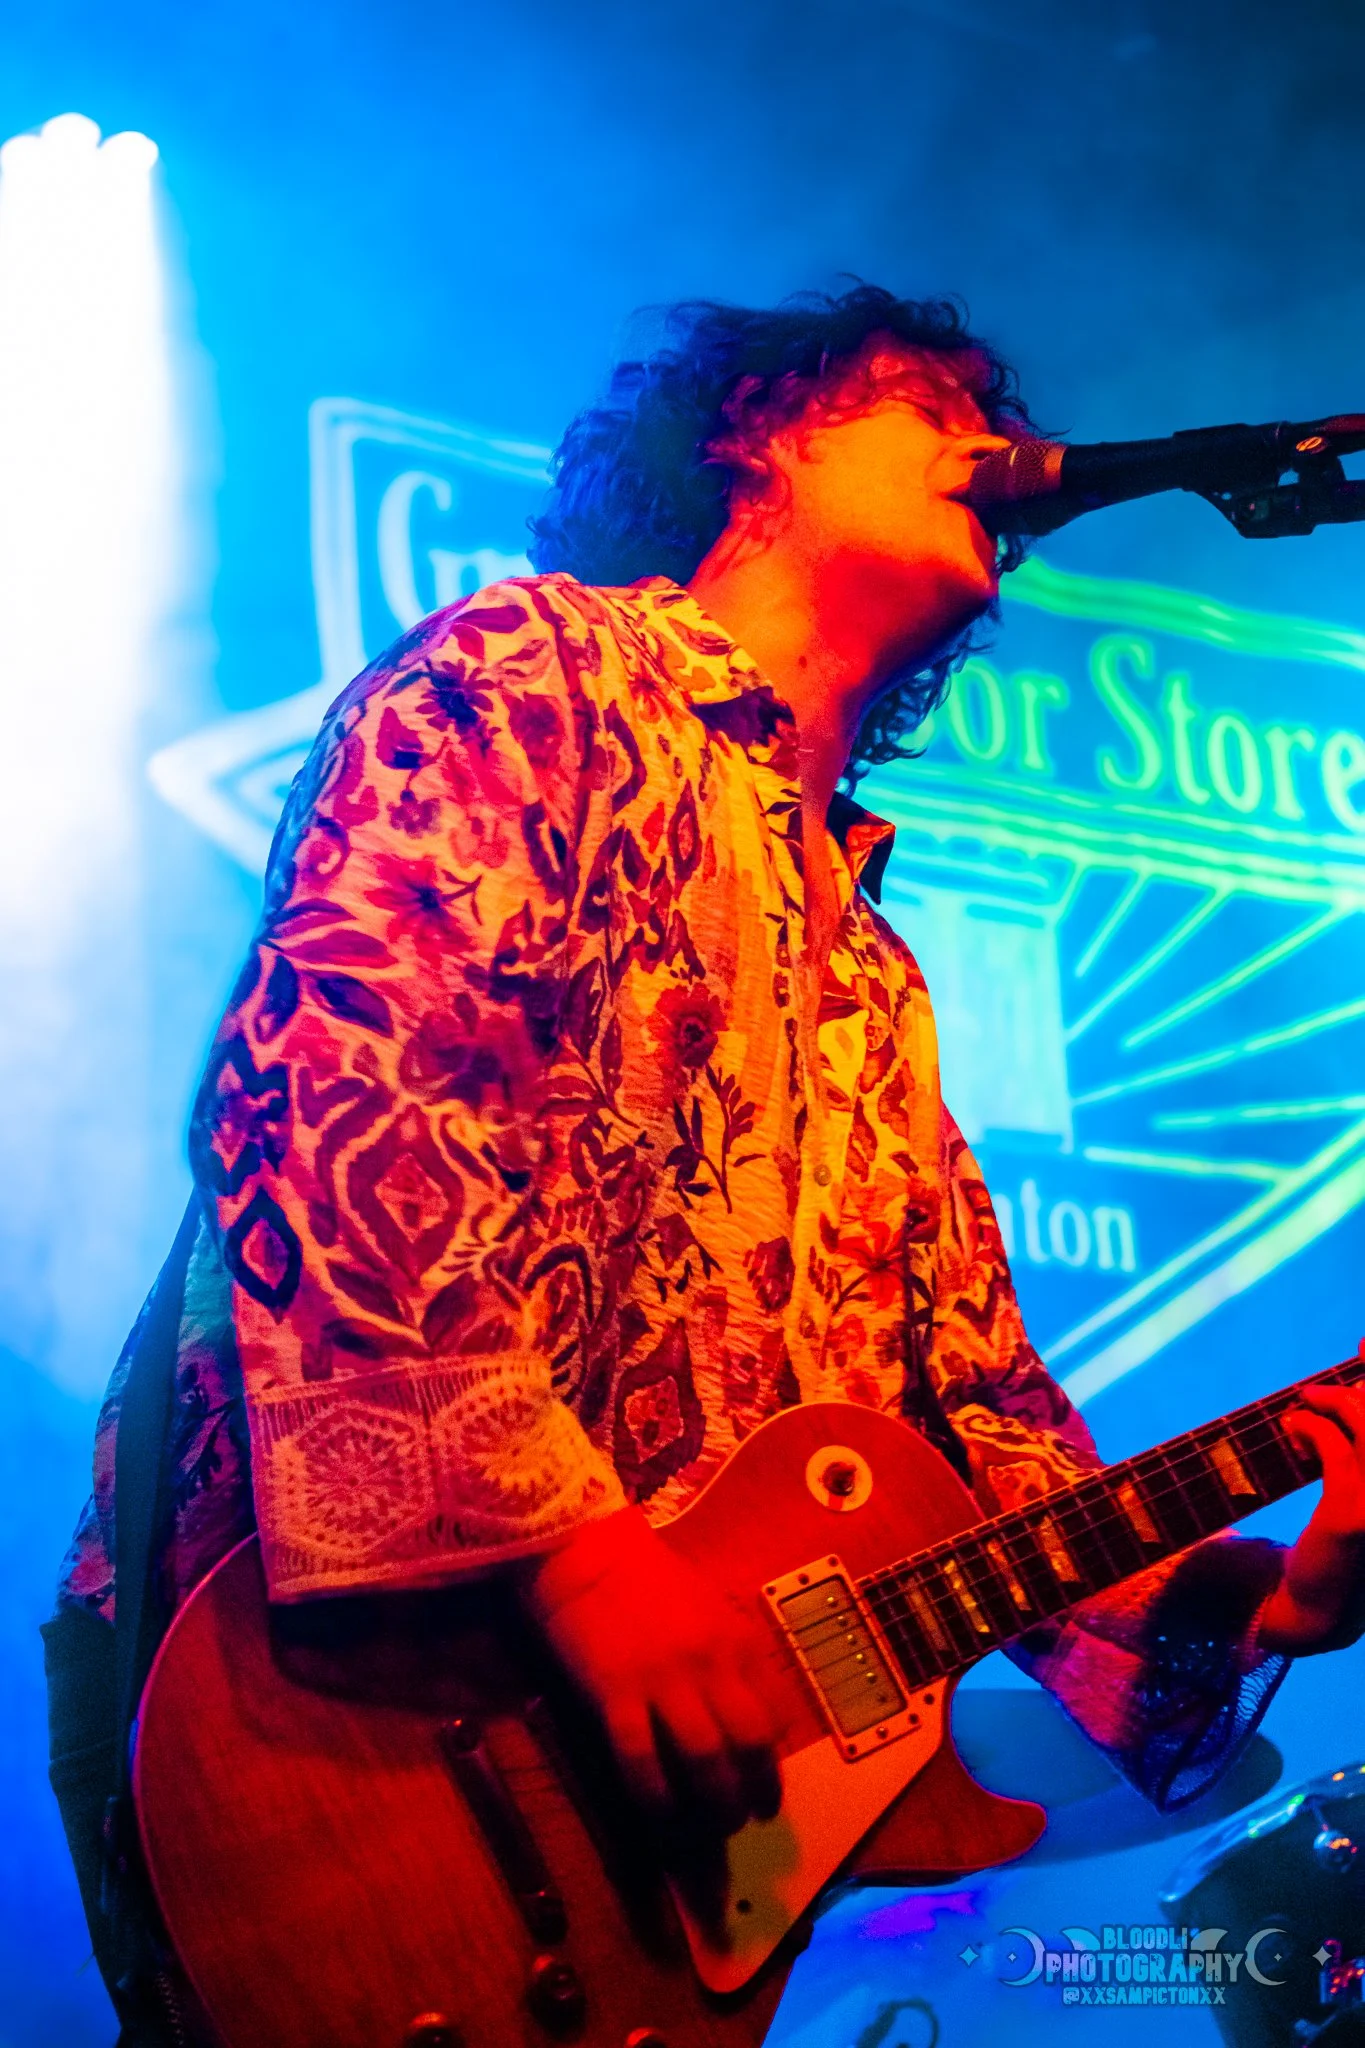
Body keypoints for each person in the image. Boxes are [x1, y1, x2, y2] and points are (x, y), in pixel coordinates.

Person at [46, 283, 1365, 2037]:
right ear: (754, 434)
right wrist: (584, 1566)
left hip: (647, 1889)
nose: (987, 435)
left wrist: (1259, 1590)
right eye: (922, 397)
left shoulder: (871, 977)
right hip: (341, 1744)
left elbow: (991, 1458)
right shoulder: (542, 674)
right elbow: (338, 1102)